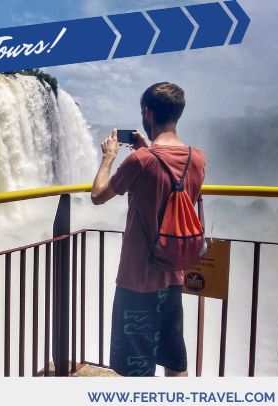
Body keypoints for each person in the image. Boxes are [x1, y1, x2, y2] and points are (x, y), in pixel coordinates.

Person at [90, 82, 206, 377]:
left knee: (135, 371)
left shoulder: (140, 160)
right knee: (174, 360)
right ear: (178, 113)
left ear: (147, 112)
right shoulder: (198, 158)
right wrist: (148, 150)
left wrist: (108, 157)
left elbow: (98, 195)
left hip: (137, 278)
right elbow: (171, 186)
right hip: (173, 274)